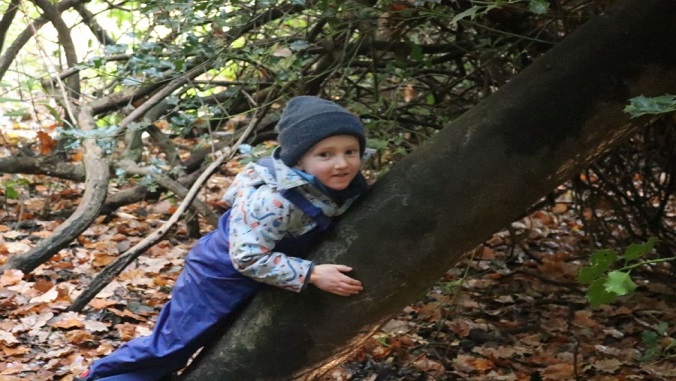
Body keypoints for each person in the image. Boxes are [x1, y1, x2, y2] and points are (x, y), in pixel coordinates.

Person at [75, 96, 368, 381]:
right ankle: (100, 375)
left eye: (350, 151)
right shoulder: (275, 201)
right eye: (325, 155)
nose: (341, 163)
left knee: (220, 341)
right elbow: (246, 256)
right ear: (299, 161)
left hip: (259, 279)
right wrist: (312, 274)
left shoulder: (340, 188)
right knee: (172, 347)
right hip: (215, 276)